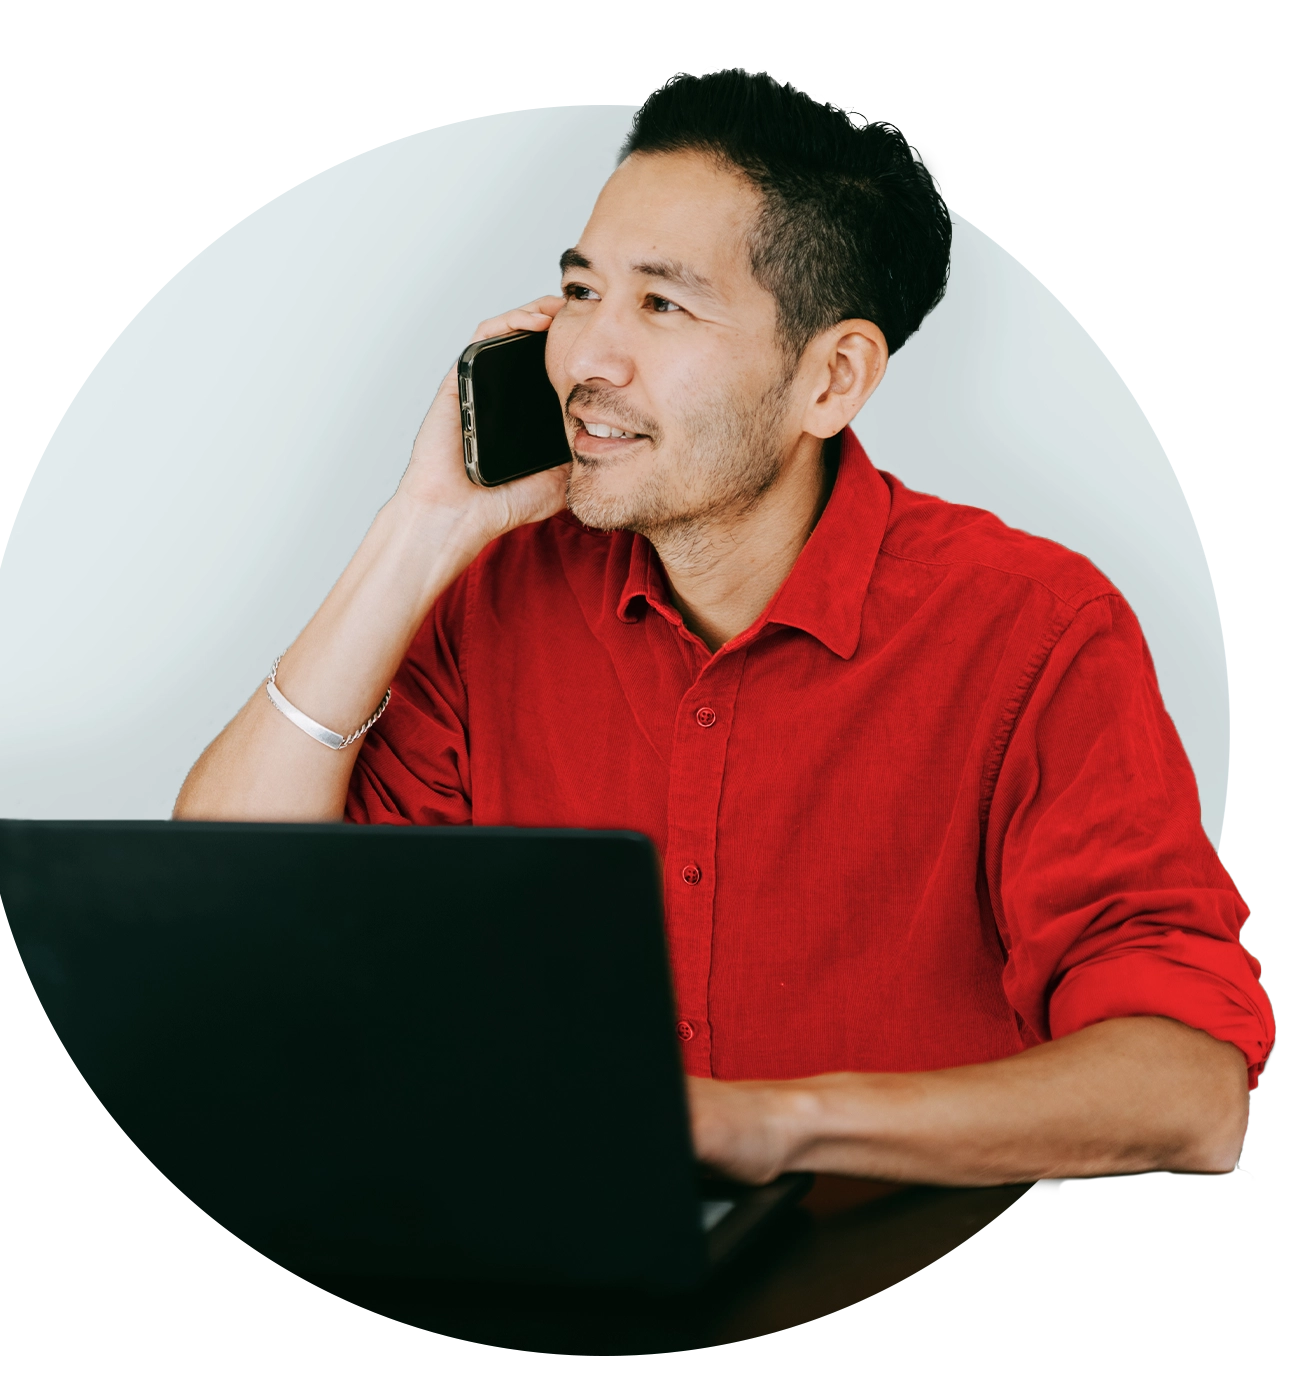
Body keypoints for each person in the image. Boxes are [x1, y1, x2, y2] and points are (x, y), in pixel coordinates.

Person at [174, 68, 1274, 1188]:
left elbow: (1187, 1093)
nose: (586, 359)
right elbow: (222, 910)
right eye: (578, 290)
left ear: (830, 378)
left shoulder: (1032, 630)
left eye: (660, 305)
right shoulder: (496, 596)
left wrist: (765, 1126)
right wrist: (419, 525)